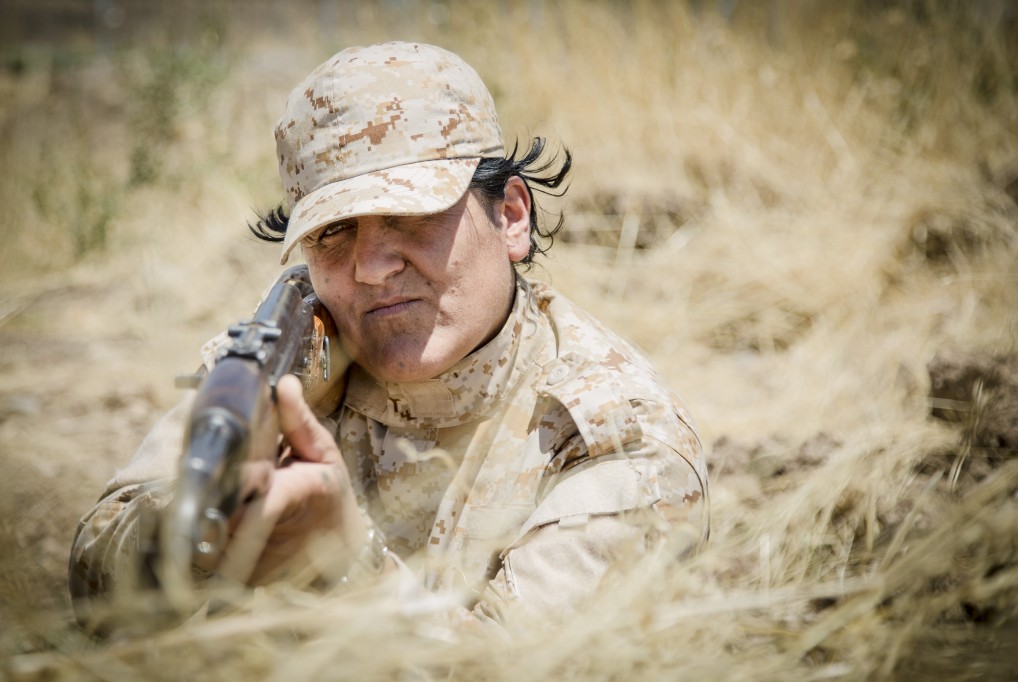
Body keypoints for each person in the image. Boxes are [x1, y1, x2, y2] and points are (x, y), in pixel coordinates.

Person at [69, 41, 709, 631]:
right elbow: (96, 585)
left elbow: (511, 666)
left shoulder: (619, 439)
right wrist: (197, 528)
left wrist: (343, 563)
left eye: (412, 214)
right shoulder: (290, 356)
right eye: (333, 232)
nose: (371, 267)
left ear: (511, 217)